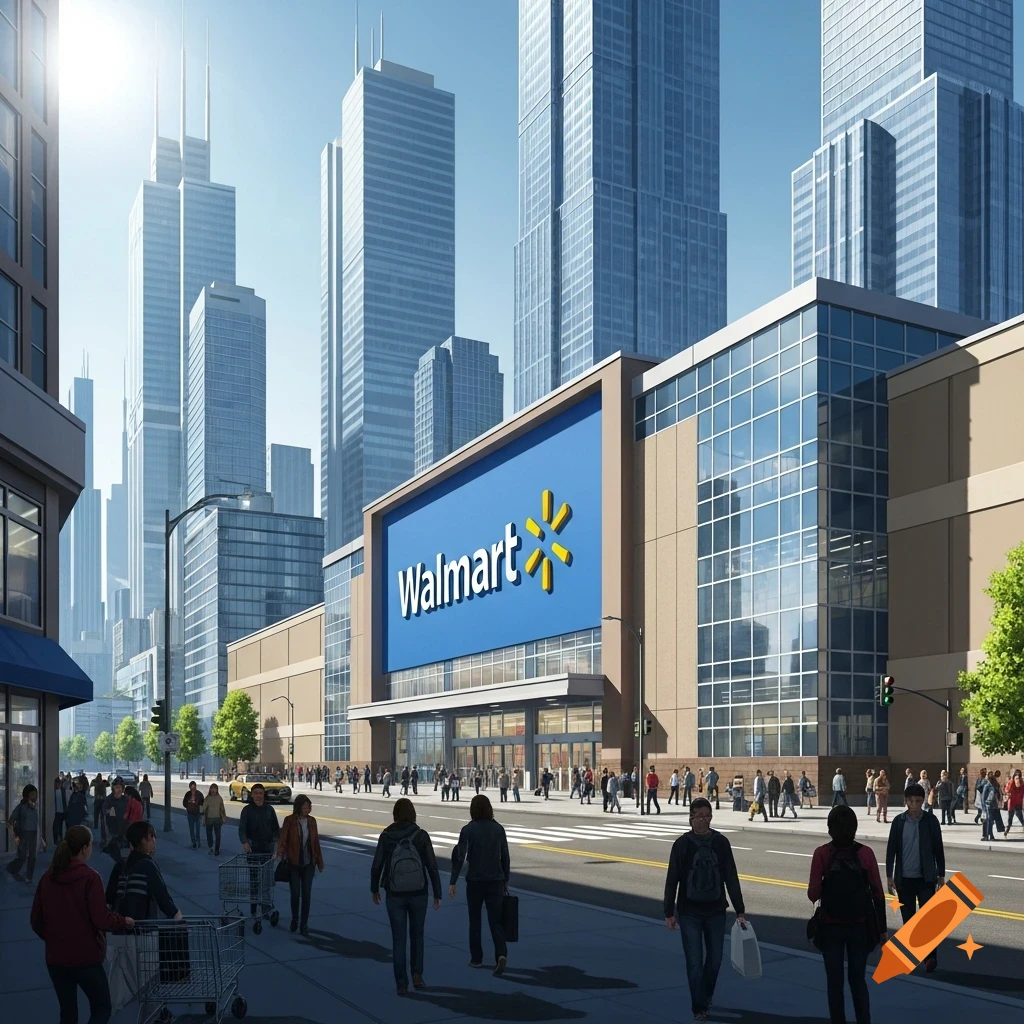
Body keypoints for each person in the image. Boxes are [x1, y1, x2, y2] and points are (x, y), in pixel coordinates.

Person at [31, 825, 134, 1024]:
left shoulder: (48, 878)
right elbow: (101, 918)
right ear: (86, 848)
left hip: (56, 959)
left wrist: (53, 937)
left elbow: (35, 919)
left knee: (68, 1014)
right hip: (85, 958)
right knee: (102, 1008)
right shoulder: (90, 878)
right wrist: (123, 921)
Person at [664, 798, 747, 1023]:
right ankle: (698, 1006)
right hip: (689, 911)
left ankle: (706, 995)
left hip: (716, 910)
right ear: (690, 817)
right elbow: (672, 879)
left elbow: (731, 876)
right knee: (694, 962)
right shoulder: (681, 844)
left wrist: (740, 909)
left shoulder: (721, 842)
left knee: (715, 960)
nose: (703, 820)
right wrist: (668, 912)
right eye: (699, 815)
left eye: (707, 816)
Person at [808, 804, 886, 1024]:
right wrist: (882, 931)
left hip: (830, 926)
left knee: (834, 982)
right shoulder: (865, 853)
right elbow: (878, 894)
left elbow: (812, 894)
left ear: (830, 828)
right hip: (859, 926)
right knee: (857, 980)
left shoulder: (822, 853)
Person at [371, 798, 443, 995]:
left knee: (398, 939)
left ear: (395, 813)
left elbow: (377, 864)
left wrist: (374, 888)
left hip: (394, 893)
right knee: (417, 935)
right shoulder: (420, 835)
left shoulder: (386, 835)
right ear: (413, 813)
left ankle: (401, 983)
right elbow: (431, 865)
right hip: (419, 892)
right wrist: (437, 892)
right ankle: (417, 975)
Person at [885, 782, 945, 972]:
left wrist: (941, 874)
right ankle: (913, 956)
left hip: (926, 878)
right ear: (906, 801)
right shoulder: (898, 822)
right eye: (911, 801)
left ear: (923, 801)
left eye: (918, 801)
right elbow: (891, 850)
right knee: (909, 921)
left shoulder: (930, 821)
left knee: (929, 921)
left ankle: (930, 958)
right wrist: (889, 876)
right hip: (904, 879)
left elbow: (938, 849)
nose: (915, 805)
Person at [449, 794, 510, 976]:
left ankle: (477, 958)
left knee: (475, 921)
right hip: (495, 881)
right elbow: (505, 857)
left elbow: (460, 857)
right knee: (496, 921)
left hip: (475, 881)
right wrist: (505, 880)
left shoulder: (468, 830)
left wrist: (453, 881)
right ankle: (501, 954)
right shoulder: (499, 829)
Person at [106, 820, 183, 922]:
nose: (154, 841)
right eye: (151, 837)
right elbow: (161, 895)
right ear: (143, 840)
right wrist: (175, 914)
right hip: (142, 927)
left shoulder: (120, 864)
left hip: (119, 926)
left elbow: (109, 897)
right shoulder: (148, 865)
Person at [277, 795, 325, 936]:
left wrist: (320, 861)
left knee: (306, 894)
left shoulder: (312, 821)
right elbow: (283, 839)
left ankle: (304, 924)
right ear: (298, 807)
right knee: (295, 894)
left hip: (308, 863)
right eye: (304, 807)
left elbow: (316, 842)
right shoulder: (289, 821)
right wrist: (279, 854)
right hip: (294, 863)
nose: (307, 809)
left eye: (309, 807)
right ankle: (295, 919)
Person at [237, 783, 281, 918]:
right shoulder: (247, 810)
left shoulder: (269, 810)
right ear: (252, 794)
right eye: (255, 793)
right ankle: (254, 908)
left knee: (266, 880)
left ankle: (266, 908)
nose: (257, 795)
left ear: (263, 795)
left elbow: (276, 830)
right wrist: (245, 842)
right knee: (254, 881)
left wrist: (276, 847)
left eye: (260, 793)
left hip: (267, 849)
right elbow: (242, 829)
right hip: (253, 850)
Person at [6, 784, 46, 883]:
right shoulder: (21, 807)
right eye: (32, 795)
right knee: (22, 856)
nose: (34, 797)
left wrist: (41, 840)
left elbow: (36, 824)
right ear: (26, 795)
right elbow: (10, 821)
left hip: (34, 834)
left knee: (33, 857)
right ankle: (12, 870)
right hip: (23, 834)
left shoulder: (36, 808)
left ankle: (29, 878)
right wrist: (15, 836)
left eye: (35, 795)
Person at [102, 778, 129, 858]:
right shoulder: (108, 800)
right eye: (116, 787)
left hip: (123, 831)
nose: (118, 789)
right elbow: (104, 817)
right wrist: (106, 836)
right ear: (113, 788)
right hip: (112, 831)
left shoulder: (126, 800)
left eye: (119, 787)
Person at [203, 783, 227, 855]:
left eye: (215, 789)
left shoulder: (219, 798)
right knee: (209, 834)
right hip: (209, 819)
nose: (213, 790)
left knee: (218, 835)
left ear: (217, 790)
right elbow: (204, 809)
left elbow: (222, 809)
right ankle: (211, 847)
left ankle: (216, 849)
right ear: (210, 790)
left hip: (217, 819)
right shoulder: (207, 798)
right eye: (212, 789)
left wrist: (223, 818)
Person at [182, 780, 204, 850]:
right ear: (189, 787)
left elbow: (202, 802)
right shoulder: (187, 794)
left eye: (194, 788)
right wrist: (188, 806)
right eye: (191, 788)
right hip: (190, 814)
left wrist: (198, 806)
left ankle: (198, 841)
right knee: (191, 829)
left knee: (197, 829)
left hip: (197, 814)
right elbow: (184, 803)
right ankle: (194, 842)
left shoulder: (199, 794)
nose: (193, 789)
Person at [1005, 768, 1024, 836]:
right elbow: (1007, 790)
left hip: (1018, 802)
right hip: (1012, 802)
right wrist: (1012, 782)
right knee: (1010, 816)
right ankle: (1008, 828)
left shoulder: (1022, 783)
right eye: (1016, 777)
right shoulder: (1011, 782)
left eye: (1019, 777)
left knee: (1020, 816)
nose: (1018, 779)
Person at [52, 776, 69, 843]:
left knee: (60, 827)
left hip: (62, 812)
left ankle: (62, 840)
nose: (58, 784)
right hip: (59, 812)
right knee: (58, 828)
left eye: (59, 783)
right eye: (57, 783)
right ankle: (60, 840)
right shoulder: (57, 791)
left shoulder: (62, 791)